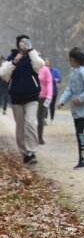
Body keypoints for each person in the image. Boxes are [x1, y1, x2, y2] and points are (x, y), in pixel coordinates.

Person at [1, 36, 44, 164]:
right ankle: (25, 153)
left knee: (31, 123)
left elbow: (39, 65)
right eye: (22, 42)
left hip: (32, 97)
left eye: (26, 41)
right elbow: (3, 74)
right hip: (16, 98)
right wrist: (14, 62)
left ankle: (32, 151)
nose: (24, 43)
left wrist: (31, 51)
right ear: (17, 44)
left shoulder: (33, 56)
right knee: (20, 126)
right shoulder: (11, 58)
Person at [56, 47, 84, 169]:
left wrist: (81, 98)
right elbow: (69, 89)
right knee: (79, 133)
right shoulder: (74, 72)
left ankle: (82, 160)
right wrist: (62, 101)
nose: (70, 62)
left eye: (71, 60)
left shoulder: (83, 71)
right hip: (75, 109)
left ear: (77, 60)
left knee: (80, 133)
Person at [36, 56, 53, 144]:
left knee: (40, 118)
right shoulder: (32, 68)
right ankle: (31, 137)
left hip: (43, 97)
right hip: (32, 96)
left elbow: (49, 83)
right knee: (31, 118)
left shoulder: (45, 69)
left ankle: (39, 137)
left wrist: (49, 96)